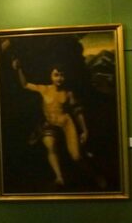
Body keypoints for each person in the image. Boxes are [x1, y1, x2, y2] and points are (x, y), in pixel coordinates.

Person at [12, 59, 88, 187]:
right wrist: (19, 69)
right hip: (50, 123)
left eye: (62, 75)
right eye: (56, 75)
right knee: (50, 144)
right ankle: (59, 177)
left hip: (66, 123)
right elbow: (25, 85)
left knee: (76, 157)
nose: (59, 78)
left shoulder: (68, 93)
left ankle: (91, 173)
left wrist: (85, 130)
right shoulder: (44, 89)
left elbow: (77, 112)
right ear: (51, 76)